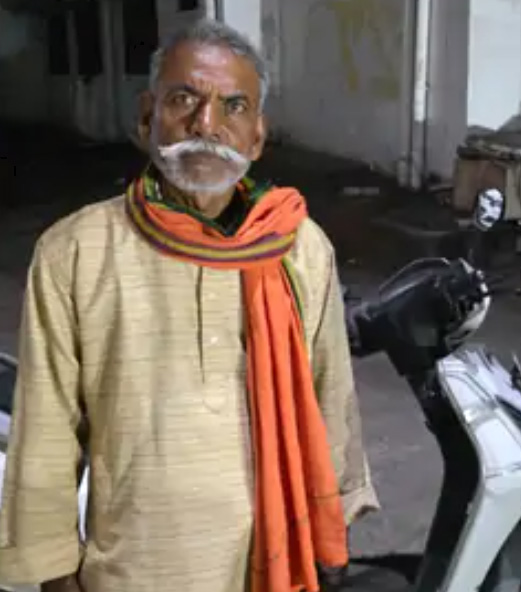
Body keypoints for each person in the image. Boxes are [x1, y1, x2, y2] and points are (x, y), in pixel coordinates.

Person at [0, 20, 378, 592]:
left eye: (233, 106)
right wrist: (55, 576)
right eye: (184, 100)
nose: (206, 124)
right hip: (135, 573)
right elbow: (46, 434)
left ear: (257, 137)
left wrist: (331, 531)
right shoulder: (73, 252)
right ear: (146, 117)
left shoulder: (300, 247)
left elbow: (332, 399)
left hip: (274, 563)